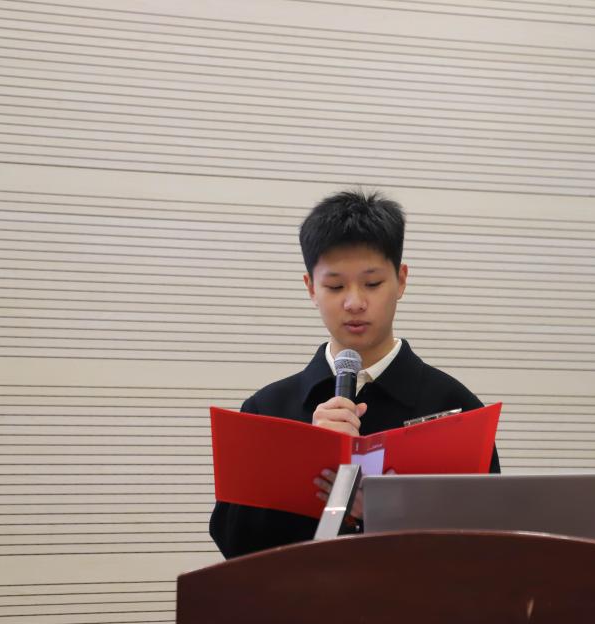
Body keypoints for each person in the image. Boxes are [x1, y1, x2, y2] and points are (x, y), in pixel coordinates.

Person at [209, 190, 501, 559]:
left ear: (402, 280)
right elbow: (234, 546)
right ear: (310, 288)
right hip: (300, 597)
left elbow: (491, 545)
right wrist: (300, 462)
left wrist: (391, 513)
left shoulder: (456, 408)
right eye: (335, 286)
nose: (354, 303)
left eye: (372, 283)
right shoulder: (267, 410)